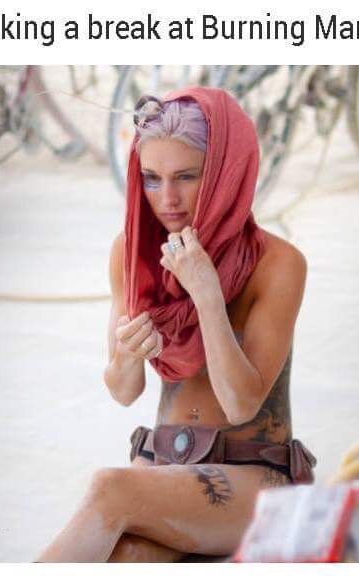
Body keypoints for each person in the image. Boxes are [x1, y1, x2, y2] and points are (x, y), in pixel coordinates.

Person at [36, 87, 315, 562]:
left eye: (186, 177)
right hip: (164, 463)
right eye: (151, 178)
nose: (167, 200)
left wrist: (207, 294)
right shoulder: (134, 251)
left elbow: (241, 401)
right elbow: (124, 390)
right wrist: (127, 352)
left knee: (108, 488)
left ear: (226, 174)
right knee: (127, 557)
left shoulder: (278, 264)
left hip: (253, 477)